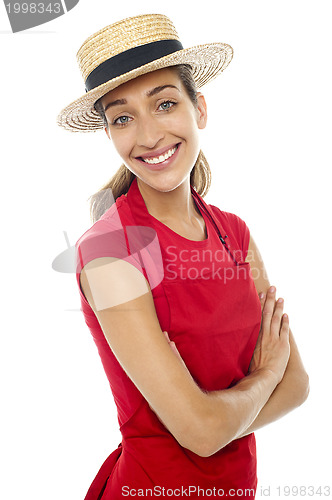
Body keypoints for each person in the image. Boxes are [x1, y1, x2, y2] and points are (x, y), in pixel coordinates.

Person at [57, 13, 309, 500]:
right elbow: (202, 433)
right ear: (109, 134)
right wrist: (266, 375)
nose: (148, 136)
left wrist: (227, 407)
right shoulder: (111, 254)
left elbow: (298, 386)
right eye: (123, 118)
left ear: (201, 110)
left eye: (165, 104)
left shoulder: (234, 233)